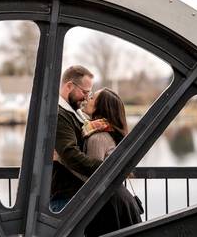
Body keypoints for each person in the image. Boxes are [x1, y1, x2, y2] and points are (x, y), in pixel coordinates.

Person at [80, 88, 142, 236]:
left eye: (92, 98)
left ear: (101, 107)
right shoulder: (110, 132)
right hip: (120, 201)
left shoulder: (98, 137)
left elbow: (93, 177)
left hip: (109, 207)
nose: (87, 99)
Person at [50, 65, 102, 212]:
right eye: (85, 92)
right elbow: (70, 154)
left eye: (89, 92)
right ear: (69, 86)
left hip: (75, 195)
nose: (87, 97)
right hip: (66, 197)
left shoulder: (74, 112)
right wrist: (107, 168)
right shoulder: (60, 115)